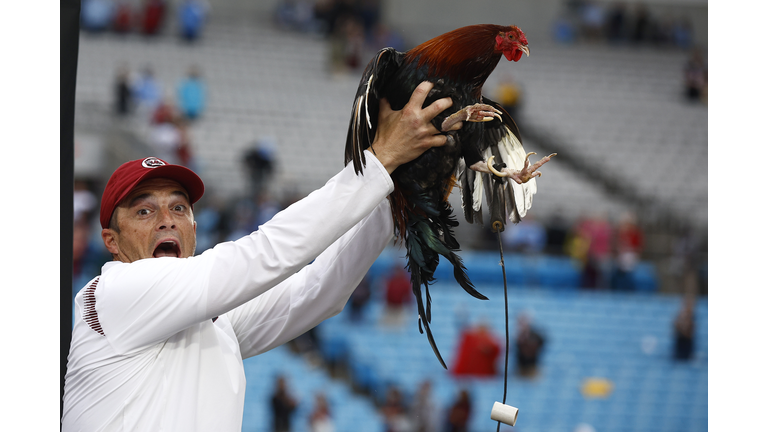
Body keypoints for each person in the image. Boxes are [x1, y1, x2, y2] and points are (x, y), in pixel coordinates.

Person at [61, 81, 460, 431]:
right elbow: (267, 251)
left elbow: (318, 291)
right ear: (111, 242)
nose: (167, 220)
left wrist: (395, 198)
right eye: (144, 211)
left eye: (179, 208)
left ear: (195, 228)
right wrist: (381, 159)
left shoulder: (212, 322)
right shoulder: (116, 293)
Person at [515, 313, 545, 378]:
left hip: (532, 367)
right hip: (521, 367)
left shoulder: (535, 335)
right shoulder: (519, 335)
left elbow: (541, 344)